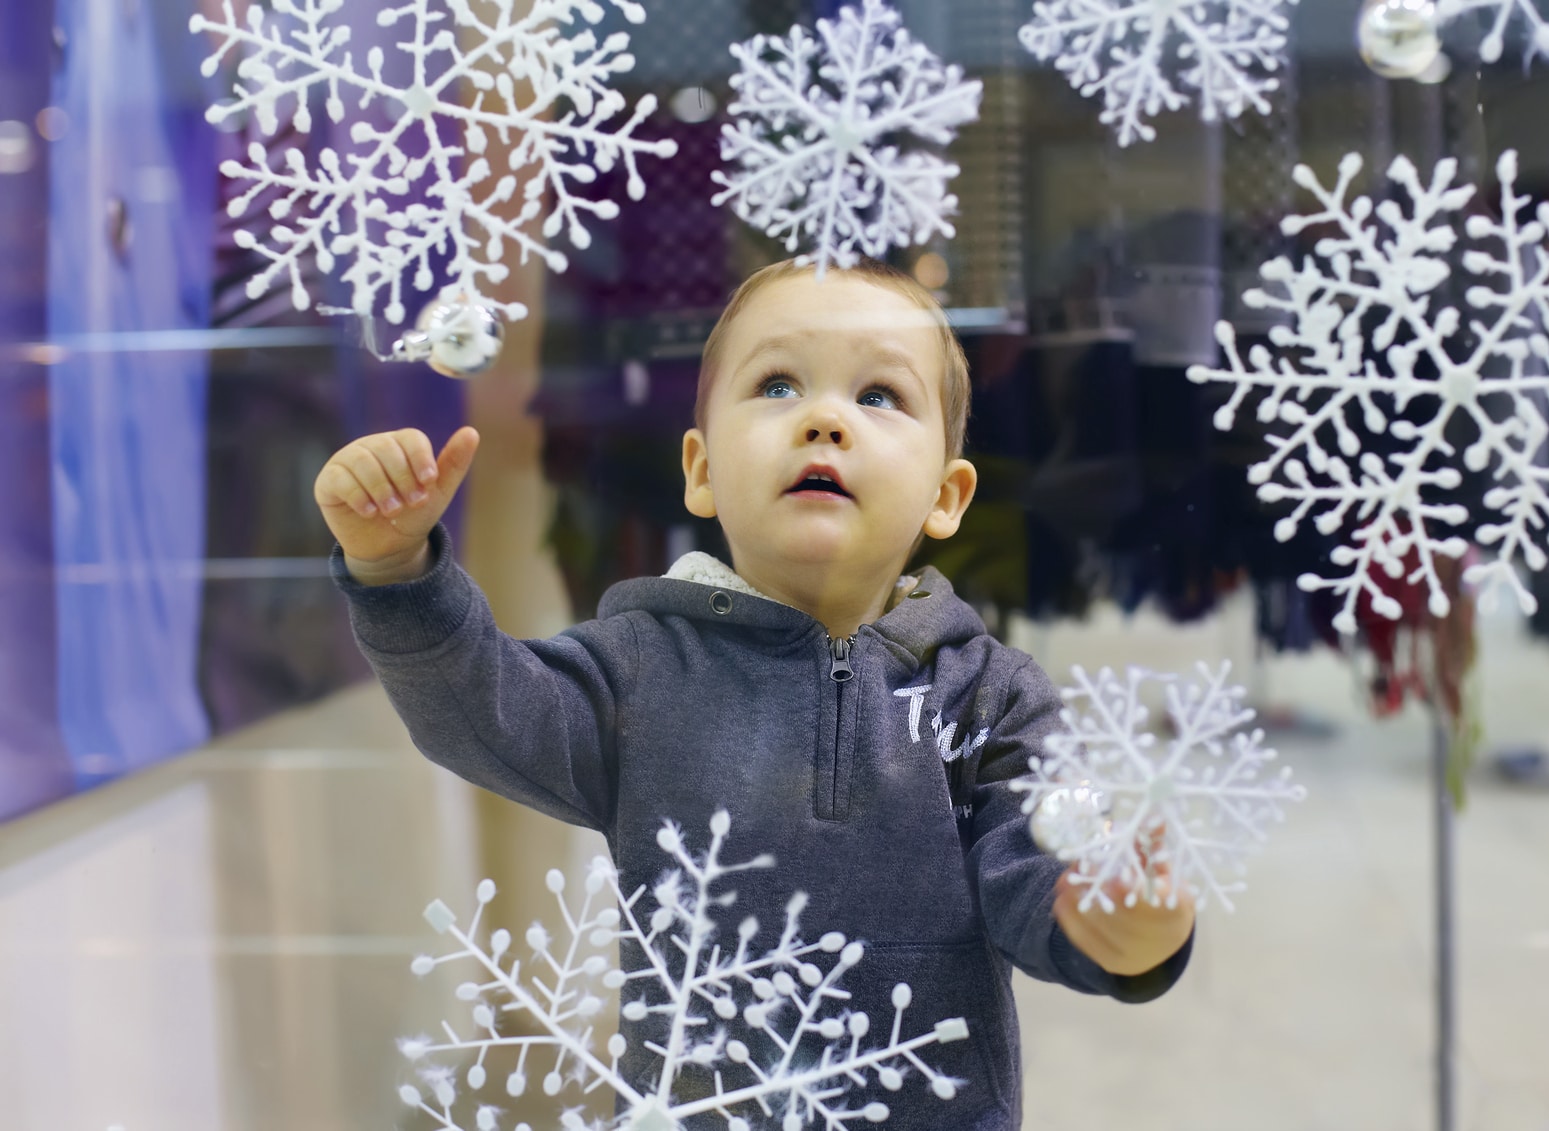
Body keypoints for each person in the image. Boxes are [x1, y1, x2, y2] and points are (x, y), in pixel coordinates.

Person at [317, 259, 1195, 1128]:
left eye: (879, 396)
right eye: (777, 383)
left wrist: (1119, 928)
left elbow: (1035, 869)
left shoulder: (988, 695)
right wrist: (397, 572)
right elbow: (482, 710)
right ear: (699, 469)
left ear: (946, 493)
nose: (823, 420)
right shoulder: (640, 669)